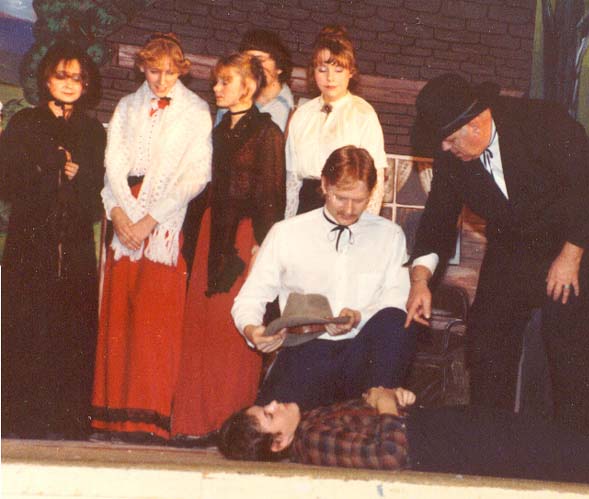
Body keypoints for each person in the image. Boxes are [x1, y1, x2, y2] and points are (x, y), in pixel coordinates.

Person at [405, 73, 589, 437]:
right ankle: (491, 443)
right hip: (514, 247)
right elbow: (438, 219)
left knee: (565, 340)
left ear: (476, 123)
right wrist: (420, 280)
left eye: (450, 139)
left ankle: (577, 452)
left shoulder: (542, 122)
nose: (444, 148)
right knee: (487, 336)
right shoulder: (452, 158)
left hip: (574, 240)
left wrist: (570, 255)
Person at [218, 387, 589, 499]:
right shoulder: (313, 440)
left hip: (456, 434)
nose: (275, 404)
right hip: (458, 448)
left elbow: (378, 422)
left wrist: (385, 399)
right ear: (277, 444)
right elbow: (392, 453)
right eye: (268, 416)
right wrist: (389, 406)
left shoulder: (313, 422)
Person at [91, 33, 212, 442]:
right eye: (154, 70)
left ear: (181, 72)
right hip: (125, 212)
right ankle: (112, 416)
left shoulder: (195, 111)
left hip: (164, 220)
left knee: (153, 323)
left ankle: (147, 419)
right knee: (120, 320)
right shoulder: (127, 106)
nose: (161, 80)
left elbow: (196, 175)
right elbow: (113, 165)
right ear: (142, 66)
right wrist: (120, 214)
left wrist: (149, 221)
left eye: (169, 72)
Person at [231, 145, 415, 413]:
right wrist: (252, 330)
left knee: (396, 320)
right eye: (341, 198)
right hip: (306, 353)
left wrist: (359, 317)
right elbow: (250, 298)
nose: (349, 209)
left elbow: (395, 303)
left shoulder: (390, 235)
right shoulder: (286, 233)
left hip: (363, 356)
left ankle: (382, 409)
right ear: (325, 185)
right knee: (266, 430)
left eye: (359, 200)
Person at [170, 53, 286, 442]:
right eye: (216, 81)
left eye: (225, 81)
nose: (216, 88)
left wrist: (263, 249)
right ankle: (194, 422)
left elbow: (273, 197)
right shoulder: (217, 132)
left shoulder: (268, 133)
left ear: (248, 86)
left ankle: (228, 423)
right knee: (201, 328)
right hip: (209, 234)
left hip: (245, 238)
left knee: (232, 328)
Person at [0, 41, 106, 439]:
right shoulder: (26, 122)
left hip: (73, 246)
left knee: (70, 331)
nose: (69, 84)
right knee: (28, 327)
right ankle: (21, 420)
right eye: (62, 76)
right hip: (32, 243)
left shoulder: (92, 130)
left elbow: (97, 195)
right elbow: (5, 180)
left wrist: (79, 176)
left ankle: (66, 421)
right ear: (47, 79)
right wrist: (43, 165)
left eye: (77, 78)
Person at [284, 25, 387, 218]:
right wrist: (289, 221)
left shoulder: (363, 114)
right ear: (313, 72)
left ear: (351, 72)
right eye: (322, 70)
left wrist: (365, 225)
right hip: (306, 207)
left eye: (338, 70)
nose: (330, 78)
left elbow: (376, 180)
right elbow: (292, 178)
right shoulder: (302, 114)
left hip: (345, 205)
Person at [214, 29, 294, 132]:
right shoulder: (230, 100)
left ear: (279, 67)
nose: (253, 66)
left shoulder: (294, 110)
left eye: (260, 60)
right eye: (247, 61)